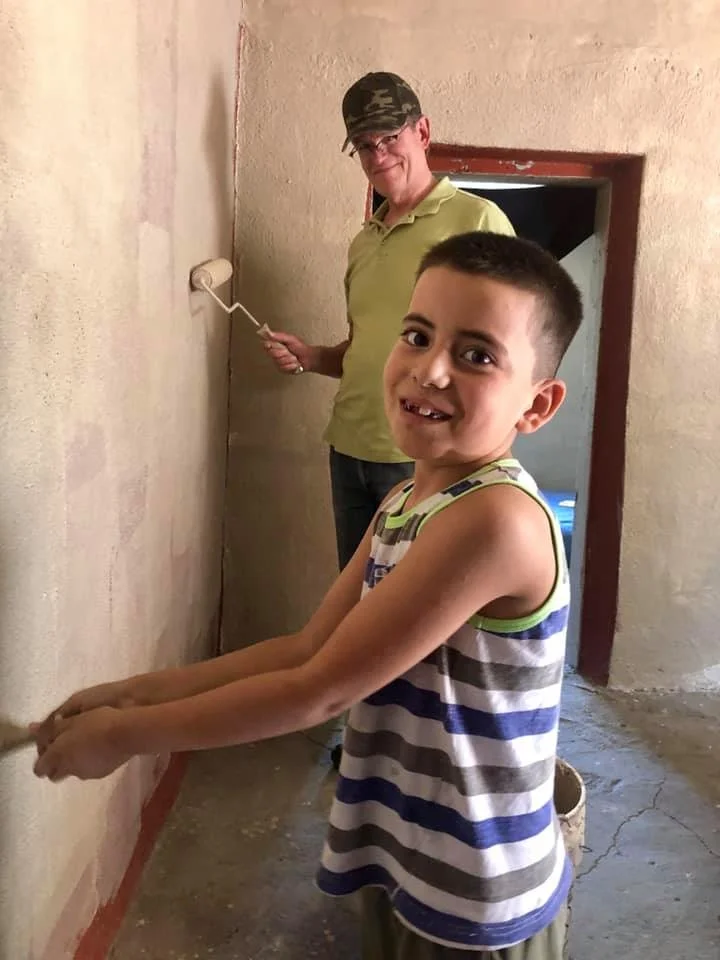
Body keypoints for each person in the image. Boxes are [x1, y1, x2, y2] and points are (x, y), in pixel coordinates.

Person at [33, 231, 582, 959]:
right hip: (412, 855)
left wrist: (124, 737)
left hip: (475, 889)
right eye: (417, 335)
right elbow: (306, 650)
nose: (429, 370)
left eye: (477, 355)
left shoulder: (496, 521)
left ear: (537, 405)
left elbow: (319, 692)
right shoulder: (403, 504)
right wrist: (132, 694)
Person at [264, 71, 515, 572]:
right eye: (363, 145)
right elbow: (367, 346)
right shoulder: (364, 241)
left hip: (424, 458)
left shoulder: (477, 222)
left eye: (389, 138)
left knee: (415, 608)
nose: (378, 156)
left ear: (422, 132)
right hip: (349, 448)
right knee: (357, 599)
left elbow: (510, 355)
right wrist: (313, 357)